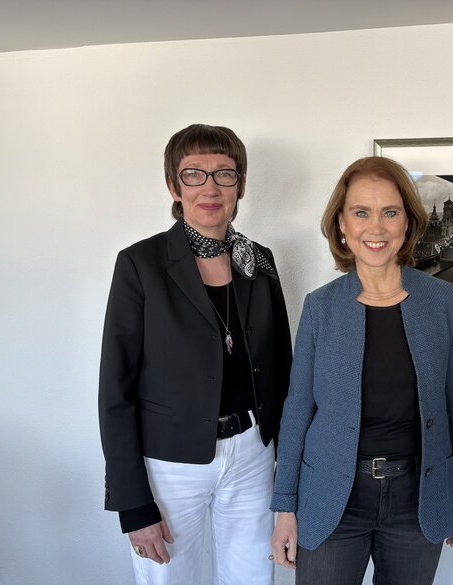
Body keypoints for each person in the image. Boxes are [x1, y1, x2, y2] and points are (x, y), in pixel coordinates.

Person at [270, 156, 453, 585]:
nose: (376, 227)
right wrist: (284, 506)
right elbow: (297, 410)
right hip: (331, 496)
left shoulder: (441, 301)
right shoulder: (320, 307)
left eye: (390, 212)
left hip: (418, 498)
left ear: (408, 222)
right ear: (342, 224)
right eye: (361, 212)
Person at [98, 123, 292, 584]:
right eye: (193, 174)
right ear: (174, 185)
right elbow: (115, 391)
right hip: (170, 463)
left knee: (252, 578)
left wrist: (289, 475)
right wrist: (132, 503)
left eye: (224, 173)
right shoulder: (140, 264)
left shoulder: (259, 260)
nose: (210, 187)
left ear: (240, 185)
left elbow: (282, 370)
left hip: (253, 454)